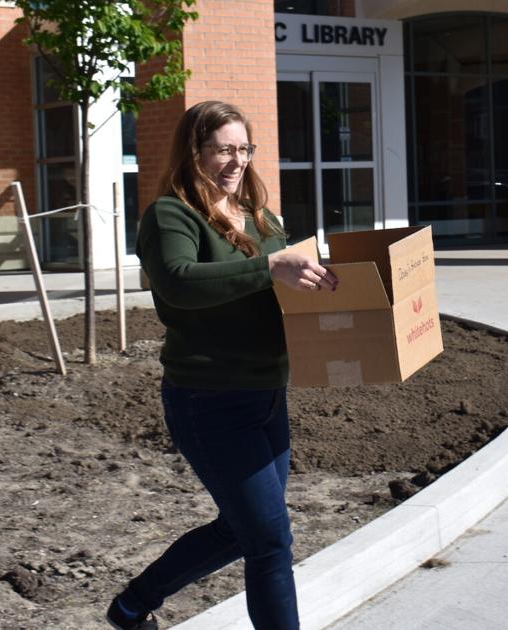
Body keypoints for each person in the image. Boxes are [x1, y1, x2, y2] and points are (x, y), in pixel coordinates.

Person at [106, 101, 338, 630]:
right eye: (223, 149)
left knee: (242, 531)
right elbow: (179, 283)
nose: (236, 161)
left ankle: (131, 606)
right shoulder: (171, 215)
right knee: (270, 540)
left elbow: (282, 286)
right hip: (209, 399)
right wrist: (269, 266)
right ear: (195, 152)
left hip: (267, 393)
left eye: (243, 149)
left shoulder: (261, 215)